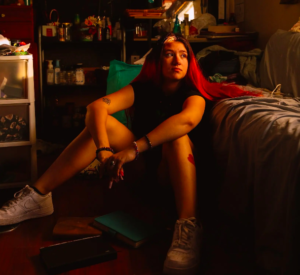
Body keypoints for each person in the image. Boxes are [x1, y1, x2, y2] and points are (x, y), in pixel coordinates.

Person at [0, 33, 260, 274]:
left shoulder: (193, 94)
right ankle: (38, 195)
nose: (177, 60)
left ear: (190, 62)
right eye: (169, 54)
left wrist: (133, 149)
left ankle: (188, 223)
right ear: (157, 60)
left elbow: (186, 122)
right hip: (144, 172)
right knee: (99, 123)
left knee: (177, 138)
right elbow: (95, 108)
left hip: (176, 177)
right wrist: (103, 150)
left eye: (183, 55)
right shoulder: (144, 88)